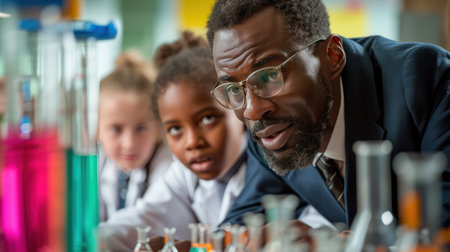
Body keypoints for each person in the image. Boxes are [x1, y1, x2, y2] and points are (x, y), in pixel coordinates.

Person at [206, 0, 450, 231]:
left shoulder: (423, 78)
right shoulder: (271, 129)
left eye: (270, 76)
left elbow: (442, 225)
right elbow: (243, 226)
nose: (251, 110)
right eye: (233, 90)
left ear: (332, 56)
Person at [98, 31, 305, 251]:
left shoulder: (278, 165)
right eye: (175, 129)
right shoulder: (184, 176)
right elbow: (141, 220)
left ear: (239, 108)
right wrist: (92, 240)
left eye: (207, 119)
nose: (192, 142)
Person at [97, 51, 173, 221]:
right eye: (116, 129)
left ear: (158, 127)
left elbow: (149, 220)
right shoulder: (93, 166)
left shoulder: (167, 167)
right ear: (97, 130)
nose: (129, 143)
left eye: (141, 129)